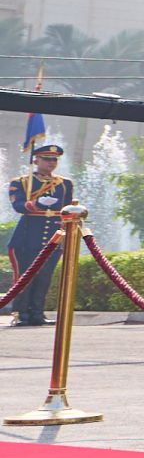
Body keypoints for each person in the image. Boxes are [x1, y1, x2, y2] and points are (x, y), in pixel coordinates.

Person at [7, 137, 76, 326]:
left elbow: (68, 208)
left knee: (45, 276)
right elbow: (18, 206)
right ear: (35, 160)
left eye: (54, 160)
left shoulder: (64, 184)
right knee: (25, 276)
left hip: (53, 237)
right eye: (47, 159)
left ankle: (37, 313)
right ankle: (21, 314)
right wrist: (35, 203)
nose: (51, 163)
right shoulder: (21, 182)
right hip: (27, 236)